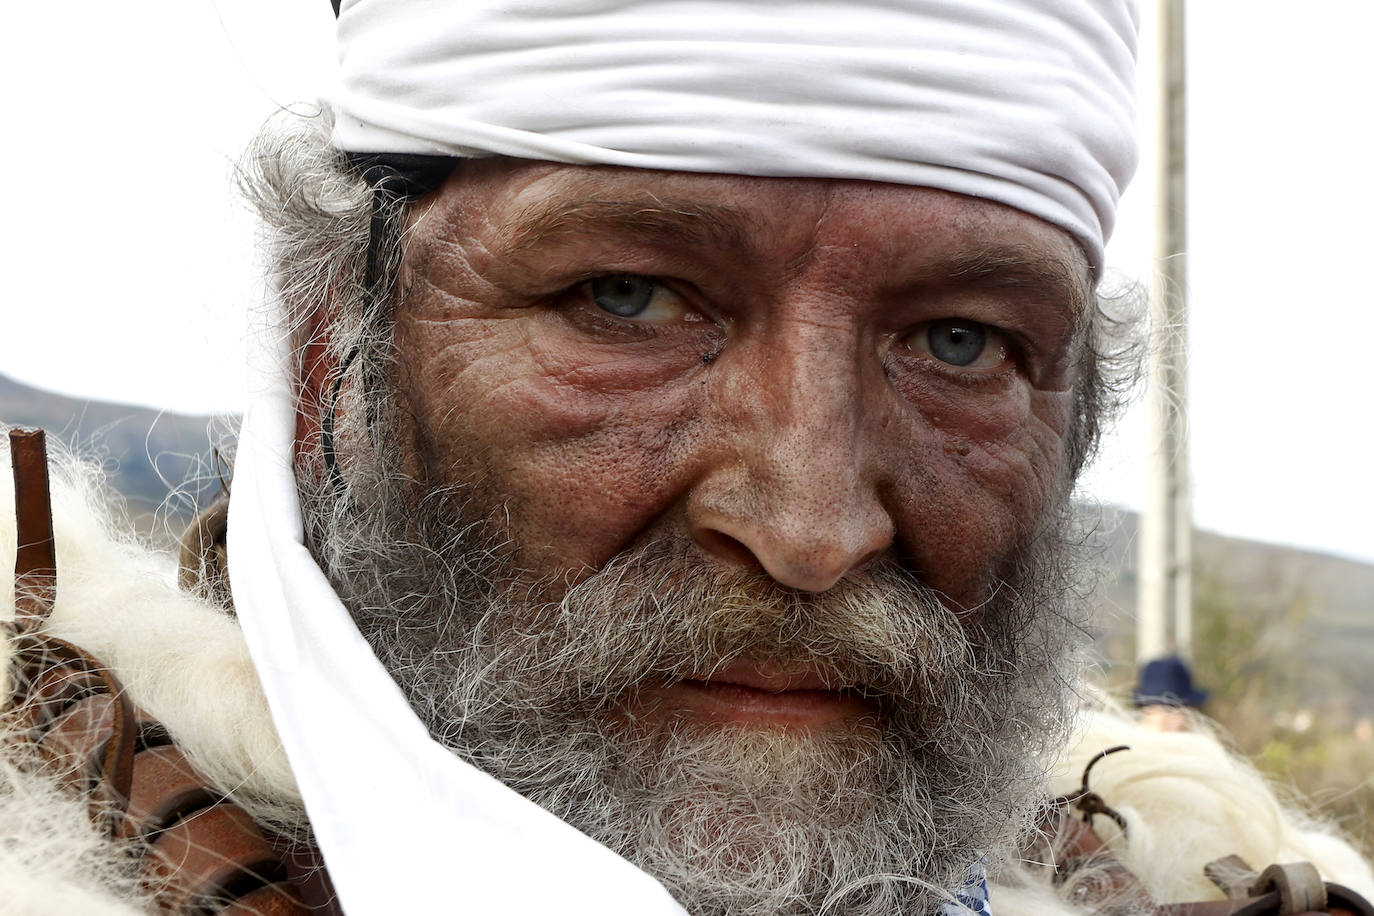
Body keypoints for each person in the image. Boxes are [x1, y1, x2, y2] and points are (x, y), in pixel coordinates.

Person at [3, 1, 1372, 914]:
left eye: (958, 341)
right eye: (626, 299)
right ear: (328, 368)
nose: (812, 527)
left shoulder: (1193, 869)